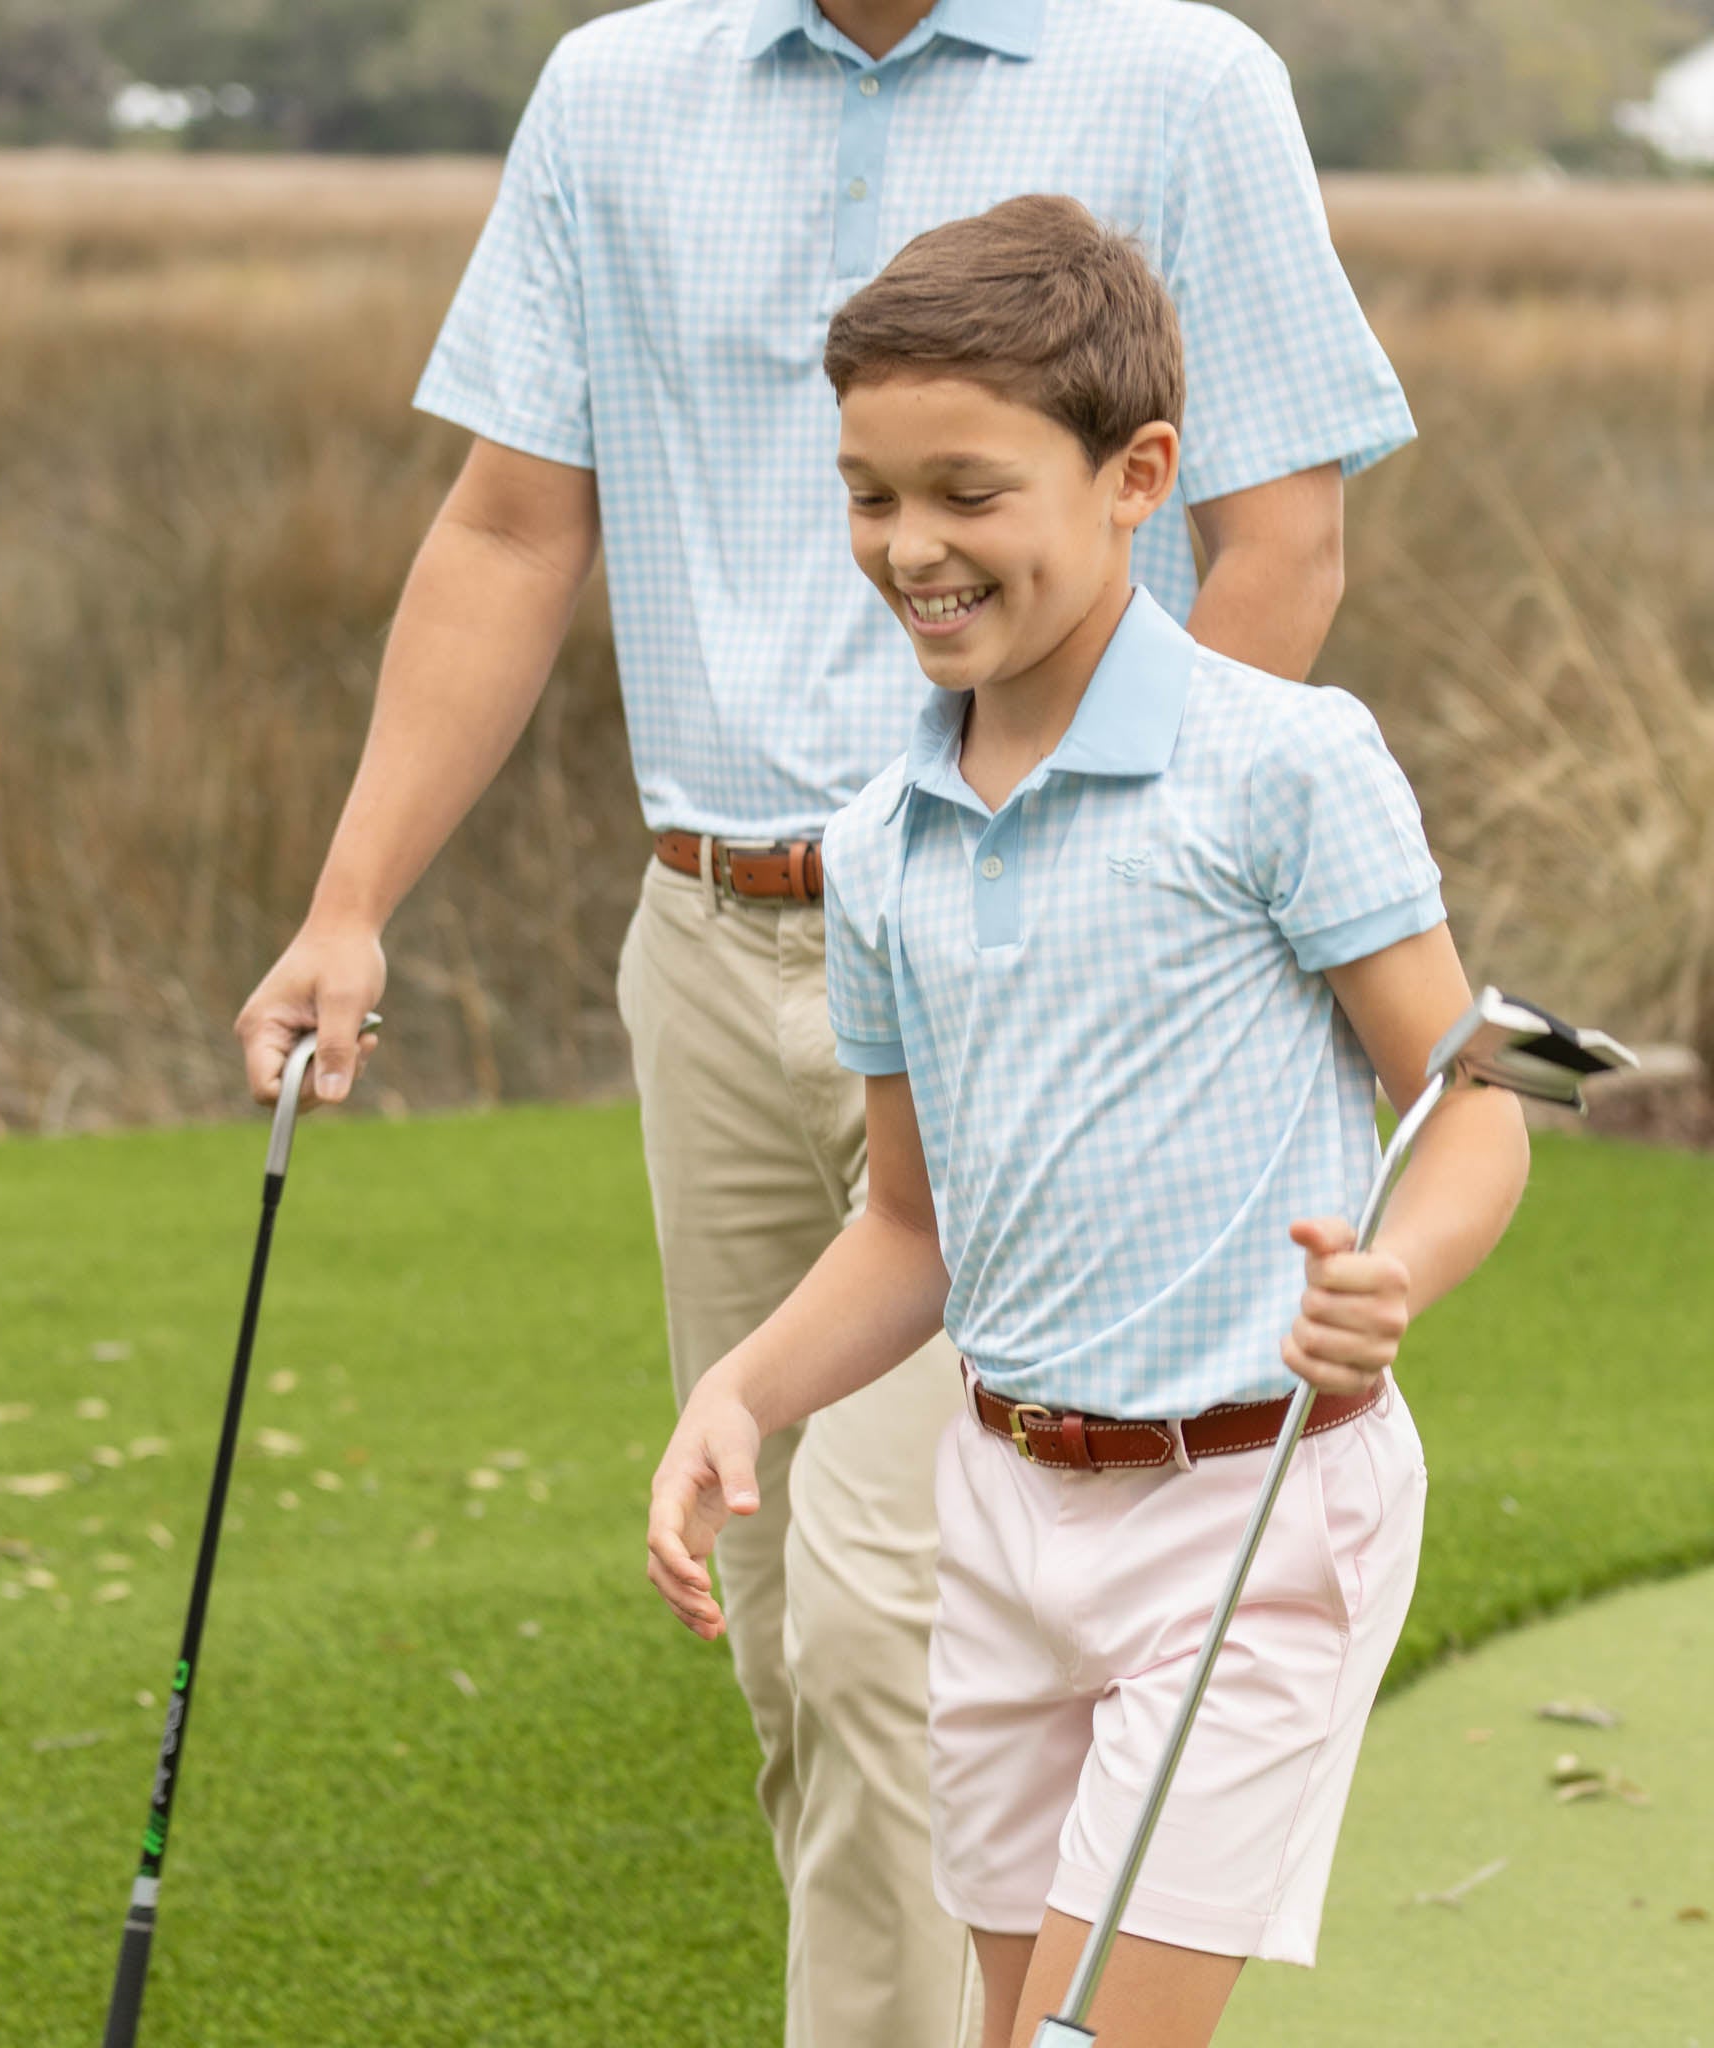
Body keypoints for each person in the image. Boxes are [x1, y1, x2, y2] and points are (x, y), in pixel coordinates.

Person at [234, 5, 1418, 2040]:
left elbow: (1276, 536)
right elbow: (513, 524)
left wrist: (1092, 892)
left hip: (1031, 968)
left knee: (894, 1626)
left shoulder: (1184, 80)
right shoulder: (613, 89)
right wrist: (350, 900)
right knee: (787, 1628)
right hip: (710, 938)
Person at [645, 192, 1531, 2048]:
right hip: (1006, 1506)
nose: (911, 547)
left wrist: (1394, 1275)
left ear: (1138, 475)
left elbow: (1477, 1103)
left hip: (1252, 1513)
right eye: (871, 495)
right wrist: (742, 1393)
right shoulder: (878, 845)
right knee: (1009, 2024)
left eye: (970, 492)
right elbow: (912, 1226)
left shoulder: (1285, 763)